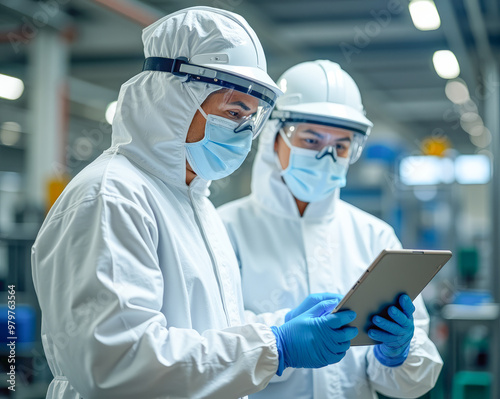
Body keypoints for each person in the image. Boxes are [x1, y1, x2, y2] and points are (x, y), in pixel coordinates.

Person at [31, 9, 359, 399]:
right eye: (235, 112)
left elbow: (204, 331)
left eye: (252, 118)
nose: (245, 132)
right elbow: (118, 364)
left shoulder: (194, 203)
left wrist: (280, 323)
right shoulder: (112, 196)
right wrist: (277, 346)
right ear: (175, 98)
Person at [218, 60, 444, 399]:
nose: (327, 157)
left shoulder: (374, 235)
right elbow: (210, 348)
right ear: (272, 137)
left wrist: (396, 352)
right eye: (310, 140)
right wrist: (281, 338)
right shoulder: (224, 229)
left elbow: (411, 381)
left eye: (340, 146)